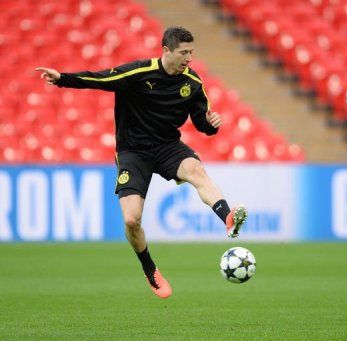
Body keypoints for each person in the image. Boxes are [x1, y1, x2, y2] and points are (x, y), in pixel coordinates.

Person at [35, 26, 248, 299]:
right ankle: (150, 270)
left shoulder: (193, 83)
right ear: (166, 51)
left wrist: (210, 124)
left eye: (192, 52)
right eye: (184, 52)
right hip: (133, 152)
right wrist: (62, 78)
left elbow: (201, 121)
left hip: (167, 146)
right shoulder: (138, 73)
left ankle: (228, 218)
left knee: (196, 170)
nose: (189, 58)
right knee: (132, 219)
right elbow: (99, 79)